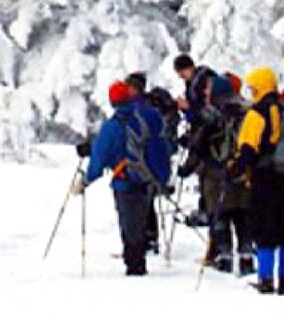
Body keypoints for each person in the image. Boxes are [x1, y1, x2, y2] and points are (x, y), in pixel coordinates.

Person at [72, 81, 172, 276]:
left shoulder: (112, 126)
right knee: (142, 218)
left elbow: (100, 157)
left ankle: (134, 265)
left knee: (129, 224)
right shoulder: (149, 116)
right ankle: (141, 254)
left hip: (124, 182)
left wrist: (86, 181)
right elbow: (163, 144)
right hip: (147, 179)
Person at [228, 67, 284, 294]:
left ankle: (265, 278)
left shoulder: (256, 113)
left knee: (264, 228)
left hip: (264, 177)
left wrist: (235, 169)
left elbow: (248, 147)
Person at [180, 75, 253, 275]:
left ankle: (224, 257)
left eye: (209, 89)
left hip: (215, 172)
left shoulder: (211, 112)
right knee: (242, 214)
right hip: (243, 170)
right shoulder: (248, 110)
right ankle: (247, 256)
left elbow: (199, 145)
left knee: (219, 215)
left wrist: (186, 167)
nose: (205, 92)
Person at [126, 71, 181, 254]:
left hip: (142, 161)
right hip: (154, 160)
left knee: (142, 201)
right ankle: (150, 238)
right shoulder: (151, 106)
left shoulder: (138, 108)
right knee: (147, 201)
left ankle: (146, 240)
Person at [173, 54, 219, 227]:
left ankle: (208, 210)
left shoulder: (203, 81)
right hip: (200, 131)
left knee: (208, 174)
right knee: (204, 175)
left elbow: (206, 111)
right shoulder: (194, 83)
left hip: (208, 135)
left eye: (181, 71)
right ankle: (205, 208)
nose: (180, 76)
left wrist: (188, 108)